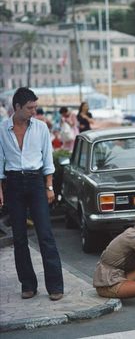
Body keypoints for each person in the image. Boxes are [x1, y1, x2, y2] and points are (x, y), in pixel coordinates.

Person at [0, 87, 64, 301]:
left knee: (45, 234)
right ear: (17, 107)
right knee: (19, 237)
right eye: (30, 108)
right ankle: (28, 285)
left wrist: (49, 187)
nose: (34, 112)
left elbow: (48, 159)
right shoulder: (2, 129)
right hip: (14, 183)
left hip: (36, 182)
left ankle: (55, 286)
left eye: (35, 107)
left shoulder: (41, 128)